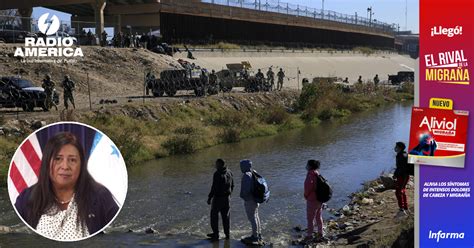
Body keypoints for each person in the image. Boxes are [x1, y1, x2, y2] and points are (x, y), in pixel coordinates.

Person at [14, 132, 119, 241]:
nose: (65, 166)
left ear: (81, 165)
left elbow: (116, 235)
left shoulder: (100, 197)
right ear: (47, 162)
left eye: (72, 160)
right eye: (58, 159)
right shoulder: (27, 198)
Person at [207, 159, 234, 240]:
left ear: (219, 165)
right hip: (227, 198)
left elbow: (214, 187)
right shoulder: (229, 172)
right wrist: (230, 195)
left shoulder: (217, 174)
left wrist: (209, 197)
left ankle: (216, 234)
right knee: (226, 217)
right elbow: (233, 185)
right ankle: (227, 234)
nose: (215, 165)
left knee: (214, 216)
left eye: (216, 164)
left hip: (218, 198)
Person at [240, 159, 262, 243]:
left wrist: (242, 196)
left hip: (250, 200)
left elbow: (246, 190)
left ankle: (255, 236)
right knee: (256, 217)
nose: (240, 168)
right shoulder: (253, 172)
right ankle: (258, 234)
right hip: (256, 199)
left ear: (245, 166)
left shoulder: (246, 175)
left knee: (252, 218)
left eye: (241, 166)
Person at [303, 160, 325, 243]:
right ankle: (320, 233)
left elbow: (307, 189)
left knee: (310, 218)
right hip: (320, 199)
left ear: (310, 166)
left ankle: (309, 235)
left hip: (312, 200)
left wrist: (305, 196)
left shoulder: (310, 175)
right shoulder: (317, 174)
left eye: (307, 164)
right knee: (319, 216)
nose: (306, 166)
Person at [394, 142, 410, 218]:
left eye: (396, 146)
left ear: (399, 148)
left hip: (402, 176)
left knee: (398, 192)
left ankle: (401, 210)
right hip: (404, 176)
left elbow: (401, 168)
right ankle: (405, 208)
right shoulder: (404, 154)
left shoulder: (401, 156)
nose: (395, 148)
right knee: (402, 190)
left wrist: (396, 174)